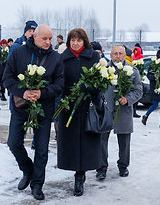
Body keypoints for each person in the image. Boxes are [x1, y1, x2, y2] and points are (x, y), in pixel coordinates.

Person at [3, 24, 64, 201]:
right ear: (34, 36)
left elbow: (59, 84)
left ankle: (37, 184)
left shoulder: (55, 58)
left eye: (50, 38)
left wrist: (42, 93)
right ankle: (28, 170)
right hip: (21, 108)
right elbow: (7, 78)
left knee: (42, 150)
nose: (48, 42)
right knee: (13, 143)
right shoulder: (18, 53)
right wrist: (22, 92)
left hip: (44, 109)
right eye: (44, 38)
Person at [57, 28, 101, 197]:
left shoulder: (93, 57)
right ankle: (76, 171)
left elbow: (100, 81)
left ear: (85, 41)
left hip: (87, 105)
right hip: (69, 107)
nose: (75, 43)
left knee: (86, 143)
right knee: (72, 143)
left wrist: (90, 88)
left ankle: (80, 175)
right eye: (73, 40)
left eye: (79, 40)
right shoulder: (63, 58)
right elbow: (59, 79)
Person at [96, 44, 142, 181]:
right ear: (110, 55)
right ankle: (101, 168)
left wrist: (127, 99)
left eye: (120, 53)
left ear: (124, 55)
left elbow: (138, 91)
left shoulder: (132, 71)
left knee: (124, 142)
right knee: (101, 140)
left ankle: (123, 166)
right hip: (106, 110)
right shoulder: (102, 70)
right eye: (115, 53)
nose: (117, 56)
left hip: (123, 111)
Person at [142, 45, 160, 129]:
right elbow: (149, 75)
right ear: (158, 55)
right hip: (155, 87)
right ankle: (146, 116)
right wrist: (154, 76)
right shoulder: (154, 64)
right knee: (155, 105)